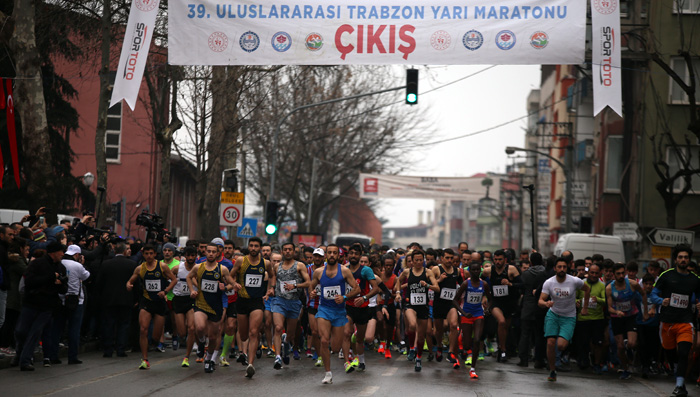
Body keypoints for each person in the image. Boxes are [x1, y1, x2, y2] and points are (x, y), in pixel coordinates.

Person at [650, 245, 700, 397]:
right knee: (670, 354)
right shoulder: (666, 275)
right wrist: (660, 301)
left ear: (689, 259)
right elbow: (653, 294)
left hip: (685, 322)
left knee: (685, 352)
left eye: (686, 257)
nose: (683, 260)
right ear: (675, 259)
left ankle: (679, 385)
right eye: (680, 257)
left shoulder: (695, 279)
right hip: (667, 322)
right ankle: (679, 375)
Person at [309, 244, 360, 384]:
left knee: (336, 348)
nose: (331, 255)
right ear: (326, 255)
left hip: (339, 312)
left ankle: (343, 356)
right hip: (324, 310)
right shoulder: (319, 272)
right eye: (329, 253)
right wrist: (312, 293)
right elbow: (311, 285)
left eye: (334, 253)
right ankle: (328, 373)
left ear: (339, 256)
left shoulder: (344, 271)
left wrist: (344, 297)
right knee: (324, 340)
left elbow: (357, 289)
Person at [12, 241, 67, 371]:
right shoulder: (37, 264)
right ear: (53, 252)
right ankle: (19, 353)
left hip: (47, 306)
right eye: (61, 251)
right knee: (21, 331)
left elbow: (64, 287)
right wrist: (51, 277)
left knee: (35, 332)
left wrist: (60, 283)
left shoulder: (60, 267)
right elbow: (30, 282)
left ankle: (25, 361)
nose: (62, 254)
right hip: (31, 303)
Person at [538, 257, 590, 382]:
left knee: (561, 345)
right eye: (559, 267)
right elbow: (540, 300)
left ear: (568, 268)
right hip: (553, 315)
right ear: (555, 268)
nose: (562, 269)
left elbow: (587, 289)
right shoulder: (549, 283)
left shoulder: (574, 281)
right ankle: (552, 370)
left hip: (569, 317)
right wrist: (546, 304)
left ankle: (563, 351)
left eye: (564, 267)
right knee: (550, 342)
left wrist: (585, 307)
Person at [126, 245, 177, 370]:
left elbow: (174, 280)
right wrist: (128, 285)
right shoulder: (140, 269)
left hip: (159, 303)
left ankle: (154, 342)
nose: (149, 256)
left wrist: (165, 291)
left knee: (155, 336)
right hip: (146, 302)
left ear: (155, 254)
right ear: (143, 255)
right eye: (146, 253)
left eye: (151, 253)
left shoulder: (162, 266)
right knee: (143, 329)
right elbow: (130, 281)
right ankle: (145, 359)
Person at [186, 243, 235, 373]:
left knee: (213, 337)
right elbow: (188, 277)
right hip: (201, 303)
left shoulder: (223, 269)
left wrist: (226, 287)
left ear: (218, 253)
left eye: (214, 252)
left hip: (216, 306)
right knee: (200, 327)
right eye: (209, 251)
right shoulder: (198, 267)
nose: (211, 254)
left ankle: (208, 359)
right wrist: (192, 290)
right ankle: (201, 342)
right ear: (205, 252)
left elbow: (232, 284)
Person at [231, 237, 275, 378]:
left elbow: (273, 276)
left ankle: (250, 364)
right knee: (243, 335)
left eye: (256, 246)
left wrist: (270, 289)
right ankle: (249, 351)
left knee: (253, 332)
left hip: (257, 302)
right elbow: (230, 275)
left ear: (260, 248)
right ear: (248, 247)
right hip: (242, 301)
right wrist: (234, 284)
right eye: (251, 246)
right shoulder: (241, 261)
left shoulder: (265, 263)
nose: (253, 248)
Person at [396, 249, 439, 372]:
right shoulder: (407, 272)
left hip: (423, 307)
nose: (419, 262)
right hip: (410, 304)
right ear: (412, 262)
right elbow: (398, 281)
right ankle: (411, 348)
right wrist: (398, 293)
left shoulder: (428, 272)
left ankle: (419, 358)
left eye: (421, 260)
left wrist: (427, 285)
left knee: (421, 337)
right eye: (416, 260)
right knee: (412, 324)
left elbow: (437, 288)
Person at [343, 243, 385, 372]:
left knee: (360, 339)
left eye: (356, 254)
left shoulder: (366, 270)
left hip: (362, 308)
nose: (354, 256)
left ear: (360, 256)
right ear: (348, 255)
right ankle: (346, 362)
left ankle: (361, 360)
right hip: (348, 307)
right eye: (351, 253)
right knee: (347, 333)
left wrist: (364, 298)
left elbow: (376, 288)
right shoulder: (344, 269)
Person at [270, 242, 310, 369]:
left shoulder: (300, 266)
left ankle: (286, 344)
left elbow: (308, 282)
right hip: (279, 300)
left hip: (294, 302)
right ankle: (277, 357)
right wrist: (271, 289)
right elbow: (273, 280)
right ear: (282, 252)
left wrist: (295, 286)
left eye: (290, 250)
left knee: (291, 334)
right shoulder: (277, 266)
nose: (287, 251)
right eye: (285, 249)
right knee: (278, 327)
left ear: (294, 252)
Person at [49, 244, 90, 365]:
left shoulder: (59, 263)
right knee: (74, 329)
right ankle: (72, 356)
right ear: (77, 255)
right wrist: (82, 264)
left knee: (57, 329)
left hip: (60, 299)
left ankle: (53, 355)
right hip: (76, 300)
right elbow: (86, 276)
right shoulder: (77, 265)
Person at [606, 262, 648, 379]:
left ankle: (629, 347)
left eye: (622, 273)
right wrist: (616, 312)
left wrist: (645, 312)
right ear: (614, 275)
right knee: (619, 347)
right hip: (617, 318)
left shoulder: (633, 284)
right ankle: (626, 368)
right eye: (618, 274)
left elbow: (644, 294)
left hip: (631, 316)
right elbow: (609, 307)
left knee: (632, 343)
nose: (620, 276)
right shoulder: (610, 288)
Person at [481, 249, 522, 362]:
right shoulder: (488, 271)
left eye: (500, 260)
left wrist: (510, 283)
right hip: (495, 302)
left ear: (505, 260)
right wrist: (484, 296)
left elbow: (522, 284)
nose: (498, 262)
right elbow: (480, 282)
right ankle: (503, 350)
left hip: (509, 303)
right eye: (496, 260)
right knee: (501, 321)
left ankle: (501, 349)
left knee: (505, 327)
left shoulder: (511, 269)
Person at [98, 242, 138, 358]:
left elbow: (99, 282)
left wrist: (101, 297)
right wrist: (136, 298)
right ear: (125, 251)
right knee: (124, 324)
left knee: (109, 324)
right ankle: (121, 349)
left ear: (114, 251)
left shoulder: (106, 264)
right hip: (126, 299)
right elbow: (136, 283)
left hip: (109, 299)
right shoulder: (132, 264)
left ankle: (108, 349)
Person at [453, 261, 491, 379]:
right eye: (473, 270)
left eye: (477, 270)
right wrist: (463, 312)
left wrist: (487, 309)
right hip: (466, 314)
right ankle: (460, 353)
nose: (475, 272)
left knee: (477, 339)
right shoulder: (466, 284)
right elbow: (454, 300)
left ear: (480, 271)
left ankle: (473, 368)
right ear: (470, 271)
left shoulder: (484, 284)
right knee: (467, 344)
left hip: (478, 314)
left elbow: (491, 299)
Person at [574, 263, 607, 373]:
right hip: (583, 318)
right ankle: (583, 360)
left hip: (597, 319)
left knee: (598, 343)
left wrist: (597, 299)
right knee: (582, 342)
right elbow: (574, 298)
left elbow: (605, 301)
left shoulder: (602, 285)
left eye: (596, 273)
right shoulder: (581, 283)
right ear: (588, 273)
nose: (593, 275)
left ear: (599, 274)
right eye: (591, 272)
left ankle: (597, 364)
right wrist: (577, 302)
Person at [431, 248, 462, 364]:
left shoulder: (456, 271)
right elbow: (430, 284)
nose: (449, 260)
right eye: (447, 258)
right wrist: (439, 280)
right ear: (442, 258)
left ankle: (451, 352)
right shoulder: (436, 269)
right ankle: (439, 346)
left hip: (451, 303)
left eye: (451, 258)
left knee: (454, 325)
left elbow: (462, 285)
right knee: (438, 330)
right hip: (438, 303)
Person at [171, 246, 197, 367]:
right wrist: (167, 290)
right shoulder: (178, 268)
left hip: (191, 300)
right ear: (185, 256)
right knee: (182, 333)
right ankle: (185, 338)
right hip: (178, 300)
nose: (191, 258)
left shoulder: (198, 268)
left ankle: (186, 356)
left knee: (191, 328)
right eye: (189, 255)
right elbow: (169, 277)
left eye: (193, 255)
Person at [306, 248, 325, 366]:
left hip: (326, 305)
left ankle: (324, 352)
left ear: (323, 258)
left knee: (323, 334)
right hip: (312, 304)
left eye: (319, 256)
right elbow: (307, 283)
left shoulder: (329, 268)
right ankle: (320, 356)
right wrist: (310, 291)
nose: (317, 258)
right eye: (315, 256)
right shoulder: (308, 270)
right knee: (314, 332)